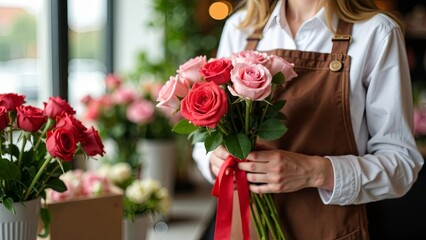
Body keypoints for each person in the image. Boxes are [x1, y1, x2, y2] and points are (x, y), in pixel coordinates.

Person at [192, 0, 425, 239]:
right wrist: (216, 161)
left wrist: (316, 172)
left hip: (334, 230)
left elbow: (401, 164)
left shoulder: (377, 32)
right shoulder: (240, 27)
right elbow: (205, 143)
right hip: (247, 228)